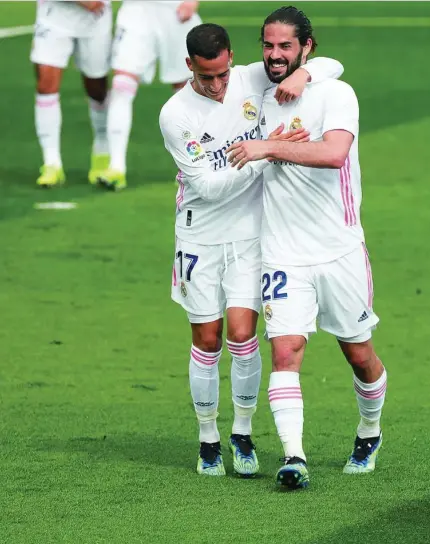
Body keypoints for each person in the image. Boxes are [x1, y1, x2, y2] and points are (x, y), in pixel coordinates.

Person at [159, 23, 343, 477]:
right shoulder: (176, 114)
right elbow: (207, 187)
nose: (218, 85)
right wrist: (268, 154)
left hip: (251, 235)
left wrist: (306, 75)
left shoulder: (249, 77)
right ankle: (207, 438)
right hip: (199, 236)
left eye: (222, 74)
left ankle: (242, 434)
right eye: (207, 78)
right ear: (189, 67)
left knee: (242, 335)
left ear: (231, 60)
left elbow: (330, 64)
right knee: (207, 338)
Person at [227, 6, 387, 489]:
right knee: (287, 350)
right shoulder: (258, 93)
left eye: (286, 47)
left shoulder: (336, 93)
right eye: (268, 45)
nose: (275, 56)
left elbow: (334, 153)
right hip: (283, 252)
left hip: (339, 249)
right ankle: (294, 457)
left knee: (359, 354)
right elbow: (211, 80)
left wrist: (269, 147)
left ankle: (369, 430)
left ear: (307, 48)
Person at [97, 1, 202, 191]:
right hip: (136, 10)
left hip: (176, 10)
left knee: (186, 91)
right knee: (121, 86)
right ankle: (116, 167)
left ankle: (190, 168)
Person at [30, 0, 112, 187]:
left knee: (97, 88)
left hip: (95, 18)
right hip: (54, 15)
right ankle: (51, 163)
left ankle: (102, 151)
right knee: (45, 83)